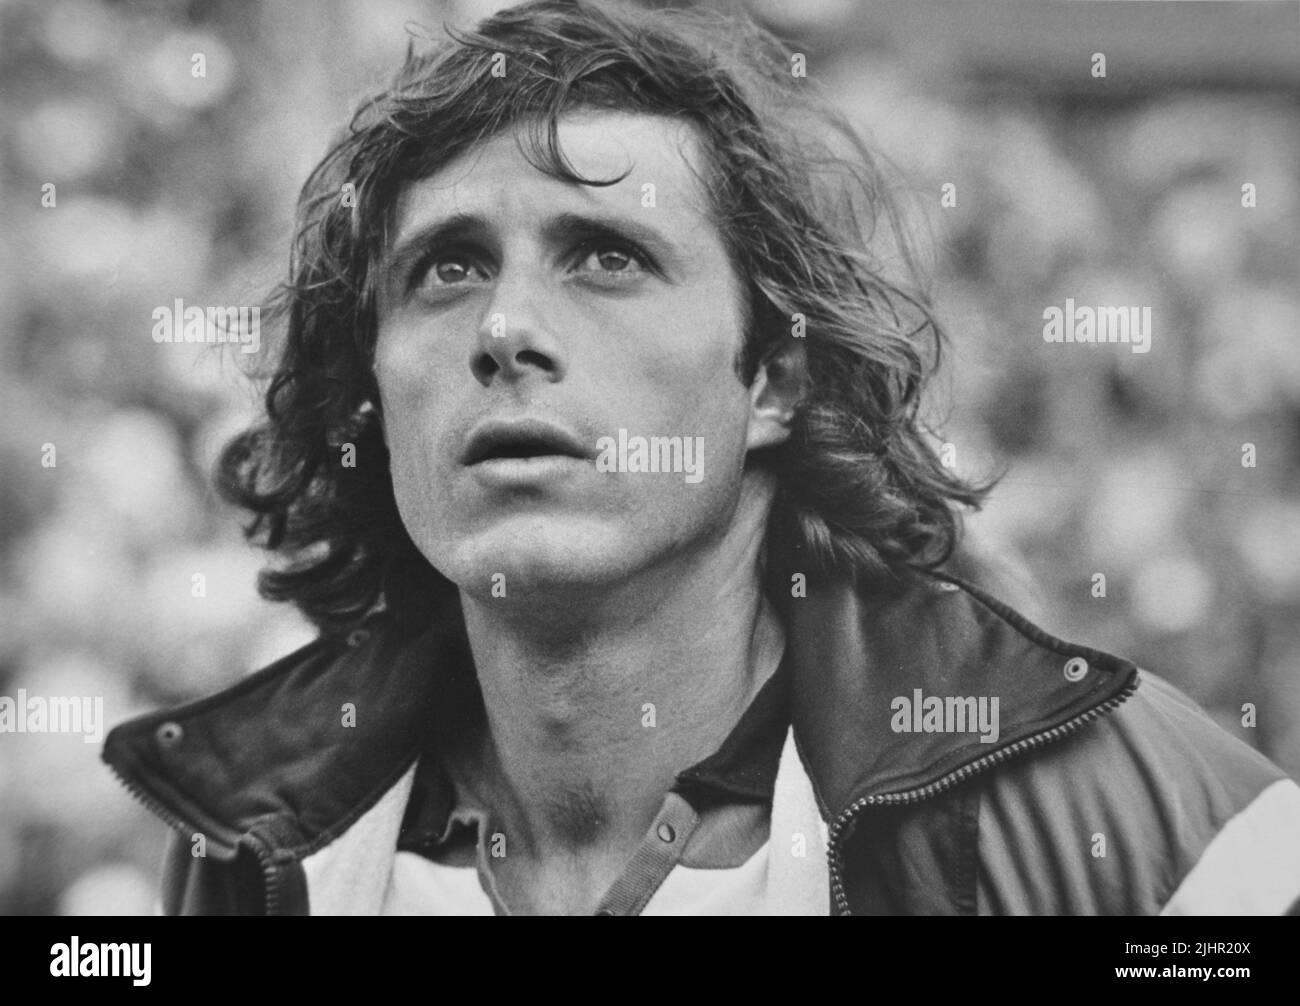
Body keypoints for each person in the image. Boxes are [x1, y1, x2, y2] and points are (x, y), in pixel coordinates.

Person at [104, 0, 1300, 916]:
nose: (505, 329)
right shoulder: (259, 842)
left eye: (605, 258)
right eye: (448, 267)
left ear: (771, 379)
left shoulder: (1111, 810)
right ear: (372, 378)